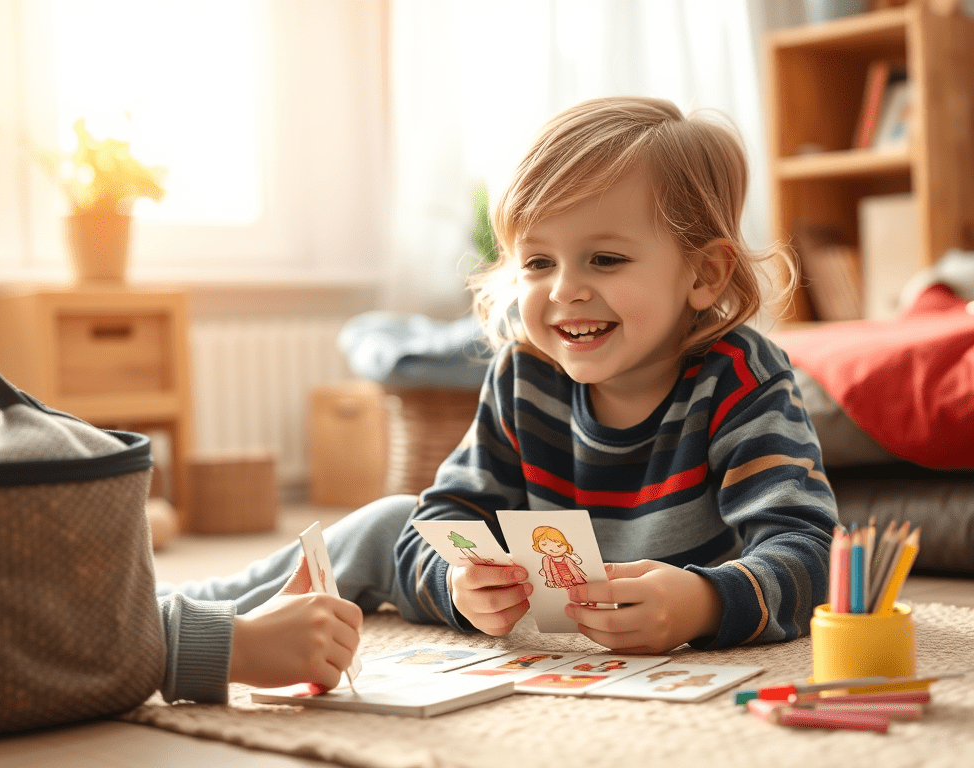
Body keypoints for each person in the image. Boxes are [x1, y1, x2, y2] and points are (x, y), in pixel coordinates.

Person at [156, 95, 838, 702]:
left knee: (388, 528)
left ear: (704, 273)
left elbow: (810, 553)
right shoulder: (524, 373)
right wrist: (460, 587)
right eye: (538, 262)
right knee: (387, 523)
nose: (564, 289)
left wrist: (703, 603)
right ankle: (174, 613)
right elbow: (446, 516)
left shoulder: (742, 379)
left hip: (686, 606)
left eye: (605, 259)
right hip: (531, 586)